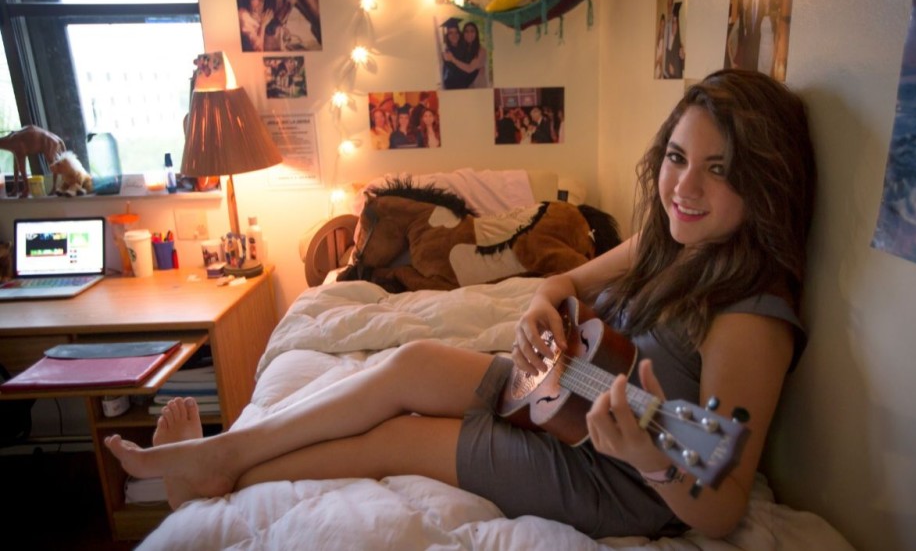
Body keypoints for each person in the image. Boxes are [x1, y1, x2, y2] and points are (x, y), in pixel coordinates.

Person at [103, 69, 817, 540]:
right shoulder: (673, 242)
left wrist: (648, 455)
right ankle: (224, 449)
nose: (684, 187)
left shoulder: (751, 318)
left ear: (766, 183)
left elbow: (722, 507)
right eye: (677, 157)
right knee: (408, 361)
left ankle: (219, 479)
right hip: (565, 393)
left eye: (718, 170)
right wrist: (542, 305)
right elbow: (564, 282)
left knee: (400, 436)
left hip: (613, 475)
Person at [0, 125, 65, 198]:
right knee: (17, 166)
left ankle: (28, 189)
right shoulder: (12, 141)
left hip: (46, 141)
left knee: (54, 165)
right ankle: (15, 190)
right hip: (41, 137)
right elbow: (17, 166)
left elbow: (21, 167)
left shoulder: (13, 141)